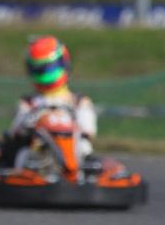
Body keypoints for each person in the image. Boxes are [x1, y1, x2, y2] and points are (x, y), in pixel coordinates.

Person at [6, 35, 97, 163]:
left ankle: (79, 170)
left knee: (84, 147)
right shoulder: (28, 103)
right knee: (23, 153)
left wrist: (65, 125)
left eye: (49, 68)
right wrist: (34, 123)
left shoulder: (78, 101)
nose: (45, 74)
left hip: (73, 151)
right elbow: (15, 132)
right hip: (37, 151)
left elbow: (88, 131)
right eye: (39, 70)